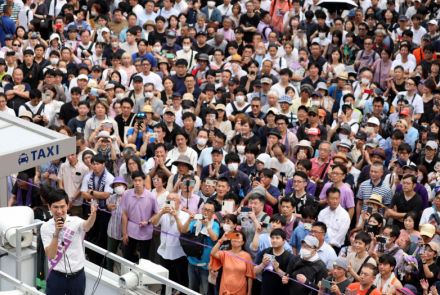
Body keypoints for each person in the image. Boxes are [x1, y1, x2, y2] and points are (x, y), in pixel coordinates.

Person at [40, 188, 98, 295]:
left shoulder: (76, 221)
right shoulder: (45, 227)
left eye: (62, 206)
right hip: (56, 276)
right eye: (55, 207)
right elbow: (51, 255)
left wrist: (93, 214)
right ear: (49, 207)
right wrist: (56, 232)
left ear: (67, 205)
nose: (59, 211)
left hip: (77, 277)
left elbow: (87, 225)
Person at [176, 201, 220, 295]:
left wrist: (208, 226)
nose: (206, 212)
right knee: (192, 288)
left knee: (205, 290)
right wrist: (189, 220)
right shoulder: (196, 221)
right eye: (204, 209)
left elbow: (215, 238)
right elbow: (183, 231)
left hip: (206, 265)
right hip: (192, 261)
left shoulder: (215, 224)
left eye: (209, 210)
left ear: (213, 213)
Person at [150, 193, 189, 287]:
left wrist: (176, 216)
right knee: (165, 279)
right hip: (164, 250)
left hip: (178, 253)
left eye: (173, 199)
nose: (170, 201)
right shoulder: (163, 212)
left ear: (179, 203)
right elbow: (154, 223)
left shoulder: (185, 215)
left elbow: (182, 231)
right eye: (168, 199)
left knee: (181, 280)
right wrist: (161, 213)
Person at [120, 171, 159, 262]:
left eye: (139, 180)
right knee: (127, 258)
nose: (137, 183)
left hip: (146, 232)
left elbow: (156, 213)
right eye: (135, 180)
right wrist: (124, 232)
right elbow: (124, 214)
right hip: (130, 231)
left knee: (144, 260)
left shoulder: (151, 197)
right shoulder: (126, 194)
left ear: (144, 181)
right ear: (132, 181)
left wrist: (148, 221)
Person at [210, 230, 255, 295]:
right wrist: (221, 240)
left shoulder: (247, 256)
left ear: (243, 242)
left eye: (238, 237)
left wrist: (249, 292)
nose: (235, 239)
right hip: (225, 289)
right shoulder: (225, 253)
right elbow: (213, 253)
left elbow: (250, 276)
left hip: (240, 291)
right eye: (234, 237)